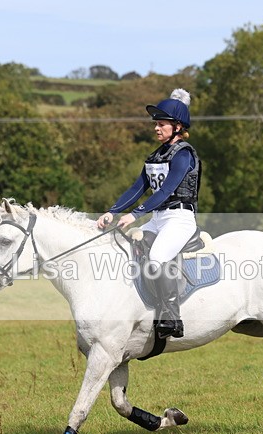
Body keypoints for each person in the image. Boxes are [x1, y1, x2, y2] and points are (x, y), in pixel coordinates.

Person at [96, 88, 201, 339]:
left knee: (157, 257)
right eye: (155, 123)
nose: (156, 128)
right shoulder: (155, 156)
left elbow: (165, 190)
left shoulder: (184, 154)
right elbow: (137, 188)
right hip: (158, 219)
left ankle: (171, 317)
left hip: (180, 219)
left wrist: (135, 215)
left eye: (162, 124)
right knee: (124, 248)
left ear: (177, 126)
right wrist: (113, 211)